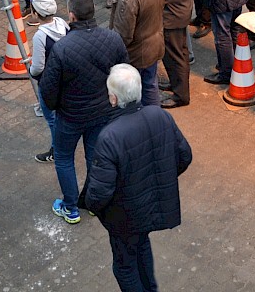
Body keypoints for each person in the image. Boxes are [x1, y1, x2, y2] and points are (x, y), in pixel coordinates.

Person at [82, 64, 192, 292]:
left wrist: (95, 207)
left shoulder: (109, 137)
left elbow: (99, 194)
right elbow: (184, 156)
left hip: (124, 217)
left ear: (113, 99)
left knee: (124, 266)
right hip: (149, 209)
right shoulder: (160, 115)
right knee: (142, 247)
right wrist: (160, 180)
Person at [39, 0, 129, 225]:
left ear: (71, 15)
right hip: (102, 113)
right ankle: (93, 202)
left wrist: (56, 107)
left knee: (64, 158)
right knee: (95, 156)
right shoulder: (113, 39)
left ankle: (70, 208)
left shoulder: (62, 48)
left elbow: (48, 90)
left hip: (70, 117)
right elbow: (124, 73)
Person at [111, 0, 166, 107]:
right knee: (150, 84)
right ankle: (155, 116)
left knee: (136, 91)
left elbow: (124, 34)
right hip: (154, 43)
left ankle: (141, 120)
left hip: (136, 53)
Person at [27, 0, 69, 162]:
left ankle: (56, 151)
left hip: (50, 84)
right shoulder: (63, 24)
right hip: (67, 80)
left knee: (52, 121)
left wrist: (30, 69)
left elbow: (37, 67)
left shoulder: (40, 36)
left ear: (35, 14)